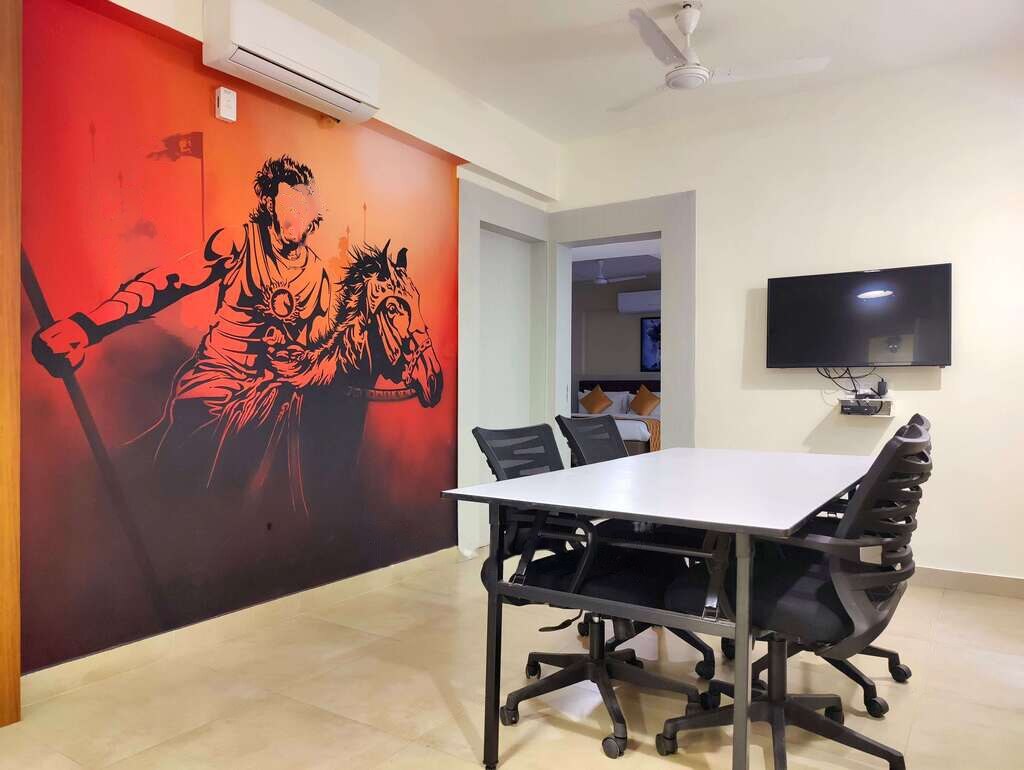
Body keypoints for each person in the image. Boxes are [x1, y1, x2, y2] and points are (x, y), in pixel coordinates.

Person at [33, 155, 333, 481]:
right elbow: (166, 283)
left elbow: (319, 352)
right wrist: (86, 326)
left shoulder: (318, 277)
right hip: (216, 382)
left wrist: (302, 364)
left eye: (303, 208)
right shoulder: (239, 242)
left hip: (271, 396)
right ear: (270, 203)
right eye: (288, 205)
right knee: (186, 463)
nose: (296, 217)